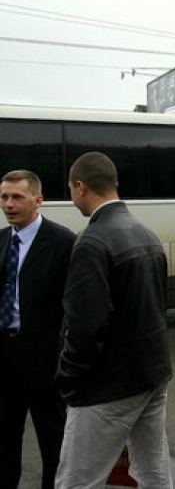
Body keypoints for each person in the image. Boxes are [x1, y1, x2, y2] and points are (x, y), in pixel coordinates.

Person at [55, 152, 173, 488]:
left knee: (77, 480)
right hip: (152, 375)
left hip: (108, 386)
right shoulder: (146, 232)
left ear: (80, 187)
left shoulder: (91, 241)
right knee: (153, 472)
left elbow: (84, 326)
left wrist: (68, 379)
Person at [0, 171, 75, 489]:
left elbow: (74, 305)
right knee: (5, 437)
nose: (9, 204)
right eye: (4, 197)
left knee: (52, 439)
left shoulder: (63, 242)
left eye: (17, 197)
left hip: (45, 359)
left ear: (38, 200)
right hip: (5, 354)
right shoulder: (3, 240)